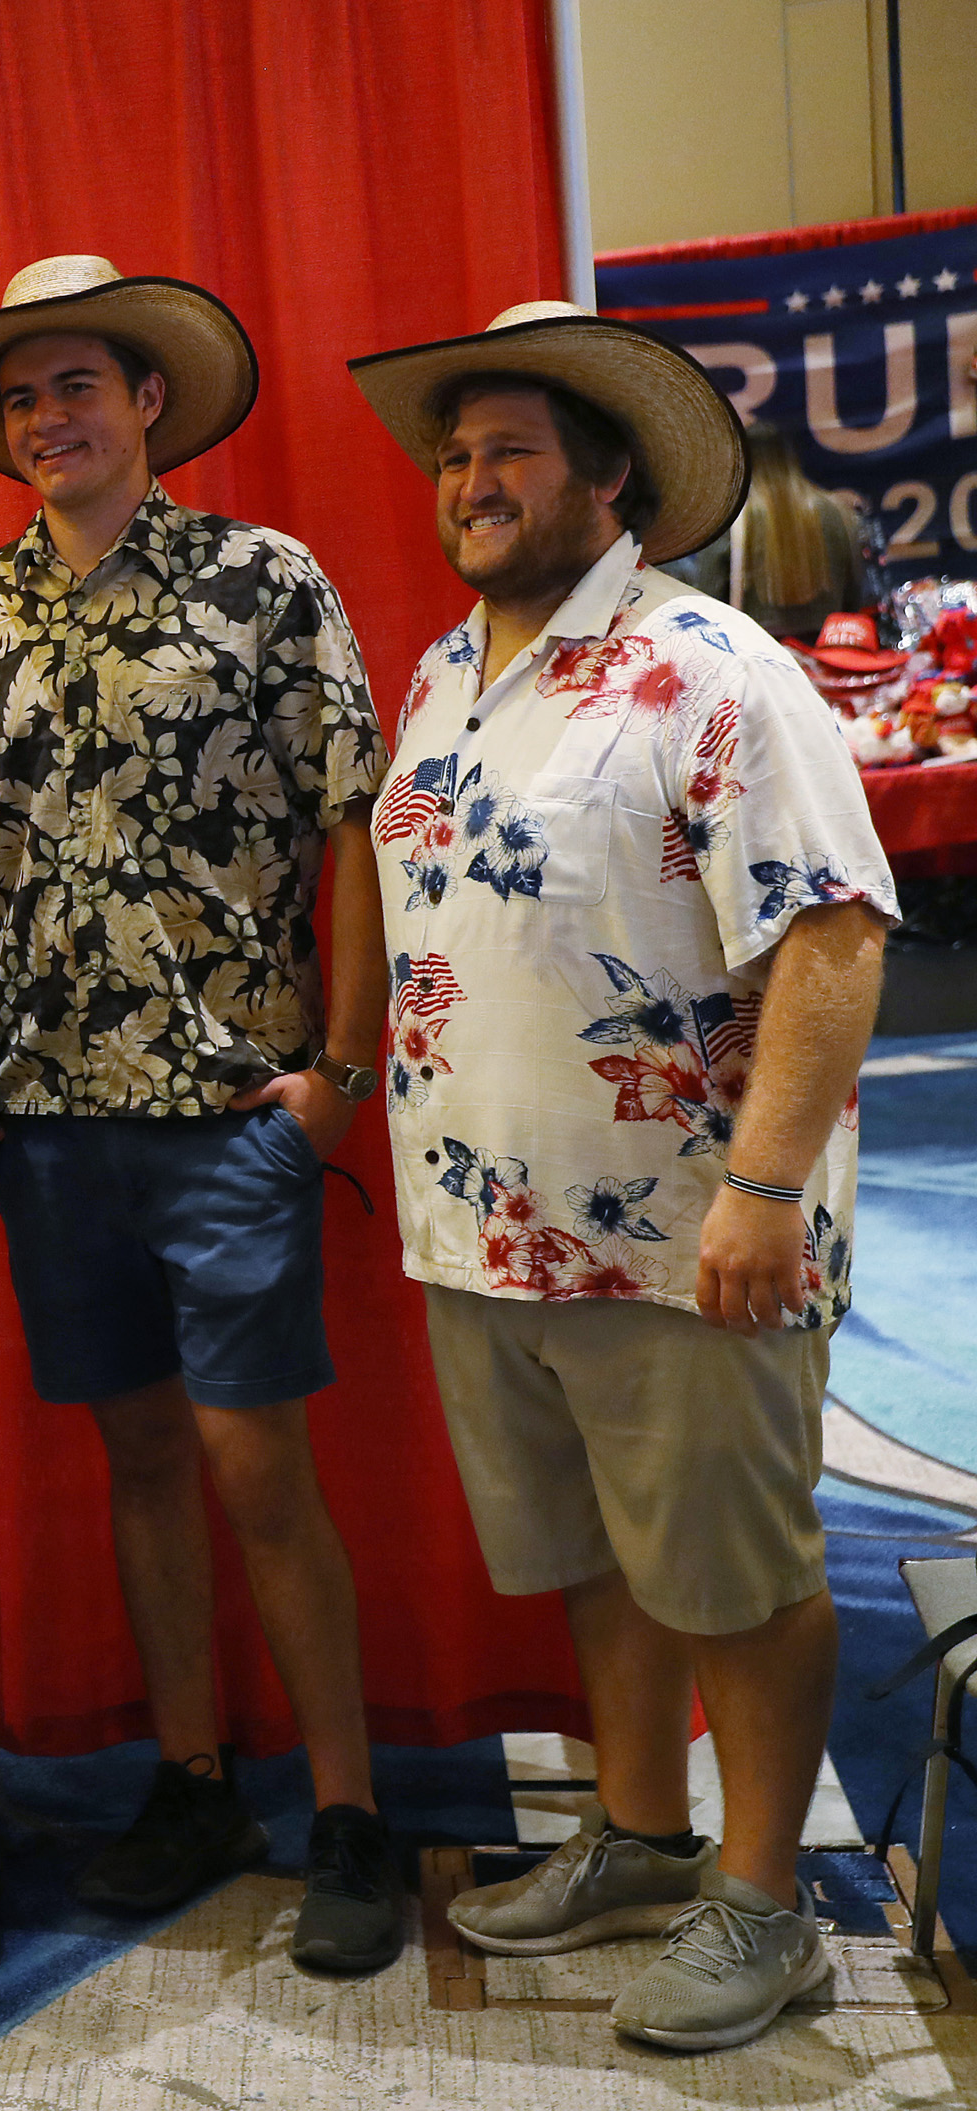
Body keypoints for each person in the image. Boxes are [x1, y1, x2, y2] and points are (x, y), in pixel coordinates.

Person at [349, 300, 897, 2051]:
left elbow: (832, 934)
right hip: (488, 1227)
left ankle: (767, 1903)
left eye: (510, 450)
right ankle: (648, 1834)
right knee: (603, 1554)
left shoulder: (716, 668)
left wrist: (766, 1185)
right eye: (455, 454)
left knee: (738, 1569)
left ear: (611, 480)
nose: (469, 480)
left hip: (689, 1231)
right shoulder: (441, 675)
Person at [0, 256, 399, 1973]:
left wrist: (343, 1072)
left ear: (149, 401)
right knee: (137, 1458)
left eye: (78, 386)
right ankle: (194, 1781)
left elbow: (352, 820)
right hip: (48, 1122)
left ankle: (350, 1811)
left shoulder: (267, 581)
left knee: (261, 1464)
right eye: (22, 397)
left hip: (231, 1114)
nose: (50, 419)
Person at [666, 422, 863, 642]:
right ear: (791, 456)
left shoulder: (734, 519)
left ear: (741, 460)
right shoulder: (837, 513)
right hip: (827, 646)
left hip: (756, 647)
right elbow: (855, 594)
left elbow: (709, 597)